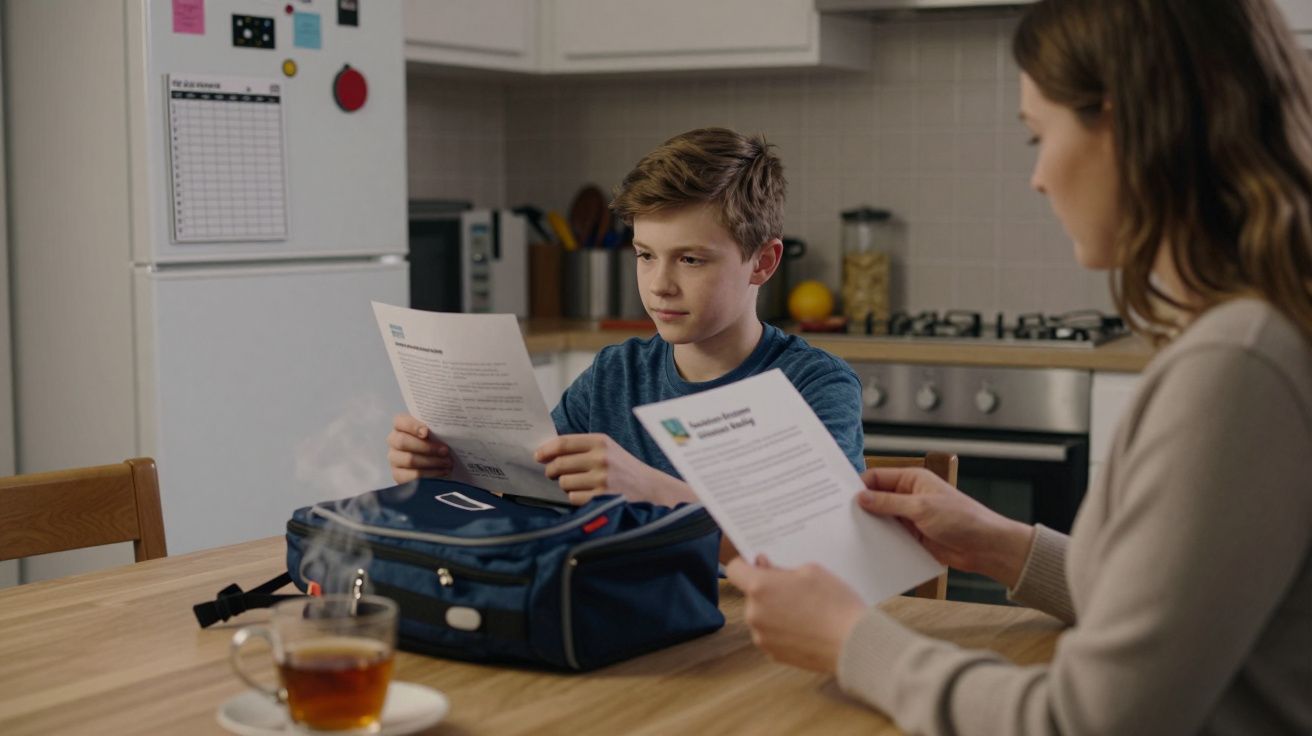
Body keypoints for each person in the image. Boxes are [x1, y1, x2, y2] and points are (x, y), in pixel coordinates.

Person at [726, 0, 1312, 733]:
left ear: (1131, 125)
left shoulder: (1239, 365)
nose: (1036, 178)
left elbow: (1085, 721)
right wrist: (1001, 546)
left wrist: (851, 640)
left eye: (1040, 135)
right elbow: (1181, 614)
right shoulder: (1258, 333)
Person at [388, 127, 864, 509]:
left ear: (762, 262)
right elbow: (529, 502)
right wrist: (448, 474)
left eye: (691, 260)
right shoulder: (614, 376)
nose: (659, 284)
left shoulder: (813, 385)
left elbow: (828, 548)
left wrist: (650, 488)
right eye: (645, 255)